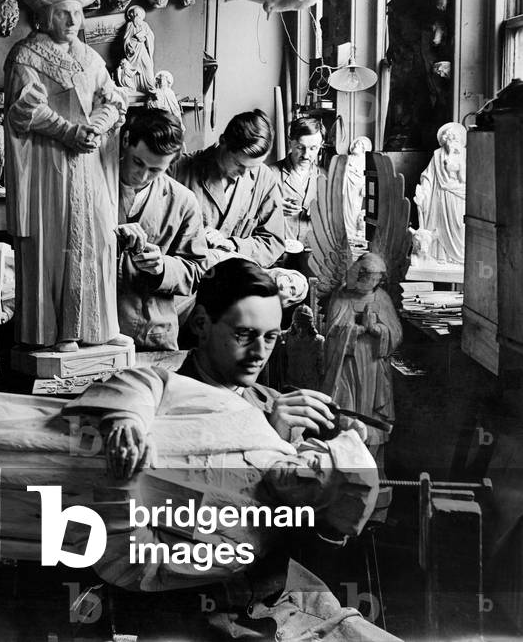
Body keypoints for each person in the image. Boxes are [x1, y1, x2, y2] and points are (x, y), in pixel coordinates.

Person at [62, 257, 392, 641]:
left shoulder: (279, 406)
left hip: (277, 596)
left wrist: (330, 495)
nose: (259, 353)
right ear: (201, 324)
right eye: (244, 335)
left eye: (271, 337)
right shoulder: (158, 393)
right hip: (184, 602)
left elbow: (307, 549)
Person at [4, 0, 129, 352]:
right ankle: (59, 330)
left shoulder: (91, 58)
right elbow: (24, 110)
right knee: (55, 241)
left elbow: (114, 99)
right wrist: (68, 131)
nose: (72, 20)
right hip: (49, 164)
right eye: (63, 13)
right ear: (46, 17)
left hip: (88, 164)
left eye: (77, 13)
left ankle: (99, 325)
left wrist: (96, 126)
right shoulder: (27, 56)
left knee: (98, 240)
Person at [115, 109, 208, 350]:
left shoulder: (184, 202)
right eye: (138, 162)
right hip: (96, 332)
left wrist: (162, 267)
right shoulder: (93, 185)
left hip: (153, 336)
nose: (143, 175)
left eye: (155, 170)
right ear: (126, 141)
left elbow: (197, 271)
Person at [171, 109, 285, 268]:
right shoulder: (178, 169)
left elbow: (273, 242)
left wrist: (233, 245)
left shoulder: (265, 178)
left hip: (235, 283)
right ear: (223, 141)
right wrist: (195, 237)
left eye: (253, 168)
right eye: (239, 164)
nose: (245, 173)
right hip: (185, 281)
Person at [322, 251, 402, 465]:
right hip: (346, 365)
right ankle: (344, 461)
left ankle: (374, 465)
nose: (373, 282)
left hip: (374, 365)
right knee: (347, 410)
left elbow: (395, 331)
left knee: (373, 415)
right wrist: (356, 329)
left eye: (377, 279)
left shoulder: (382, 298)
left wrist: (377, 329)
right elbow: (331, 333)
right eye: (369, 278)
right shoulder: (342, 296)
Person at [269, 116, 324, 255]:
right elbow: (248, 217)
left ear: (321, 145)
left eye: (313, 148)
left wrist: (323, 213)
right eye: (300, 147)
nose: (306, 155)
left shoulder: (325, 178)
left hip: (312, 256)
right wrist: (272, 208)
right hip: (277, 255)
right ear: (290, 143)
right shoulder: (269, 174)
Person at [414, 122, 467, 263]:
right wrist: (423, 192)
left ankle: (459, 258)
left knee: (459, 225)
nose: (451, 142)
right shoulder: (437, 154)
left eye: (454, 138)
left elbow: (466, 179)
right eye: (448, 139)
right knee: (438, 228)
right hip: (439, 196)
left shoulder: (465, 154)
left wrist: (456, 166)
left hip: (458, 196)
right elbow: (428, 175)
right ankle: (442, 256)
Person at [121, 5, 156, 93]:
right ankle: (134, 87)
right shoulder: (129, 25)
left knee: (148, 66)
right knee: (133, 70)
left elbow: (150, 35)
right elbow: (126, 38)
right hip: (133, 50)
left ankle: (150, 86)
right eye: (134, 14)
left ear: (141, 15)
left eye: (138, 14)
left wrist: (145, 38)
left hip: (142, 48)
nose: (136, 16)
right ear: (131, 15)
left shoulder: (145, 25)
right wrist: (129, 45)